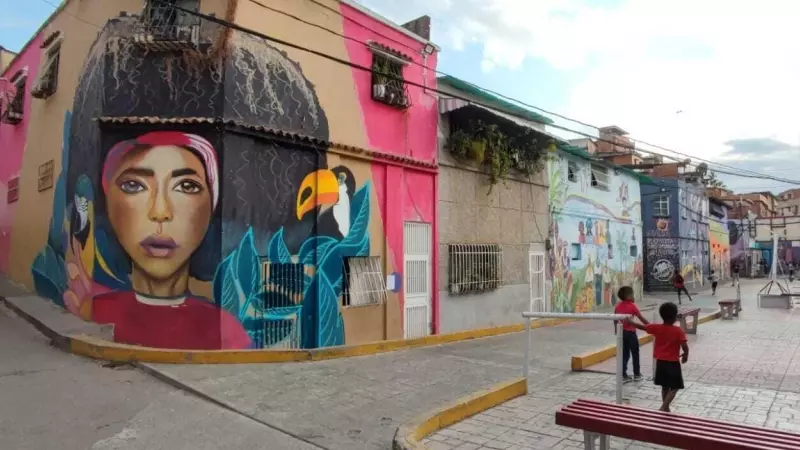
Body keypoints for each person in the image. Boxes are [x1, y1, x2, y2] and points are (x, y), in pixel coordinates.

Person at [90, 131, 252, 350]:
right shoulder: (92, 311)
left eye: (186, 186)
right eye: (134, 185)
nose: (160, 212)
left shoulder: (227, 332)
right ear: (109, 204)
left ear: (210, 208)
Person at [626, 302, 689, 412]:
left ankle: (666, 407)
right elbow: (684, 345)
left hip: (660, 362)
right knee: (675, 387)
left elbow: (643, 327)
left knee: (664, 386)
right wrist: (685, 354)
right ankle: (663, 407)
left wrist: (630, 322)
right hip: (672, 363)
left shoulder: (657, 328)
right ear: (674, 317)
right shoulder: (678, 331)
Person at [614, 286, 649, 382]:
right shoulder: (632, 306)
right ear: (628, 296)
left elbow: (615, 320)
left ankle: (623, 375)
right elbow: (641, 318)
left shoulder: (617, 306)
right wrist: (651, 326)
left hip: (622, 333)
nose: (634, 296)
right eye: (632, 294)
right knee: (635, 354)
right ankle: (637, 374)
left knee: (624, 354)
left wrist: (616, 331)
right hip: (631, 334)